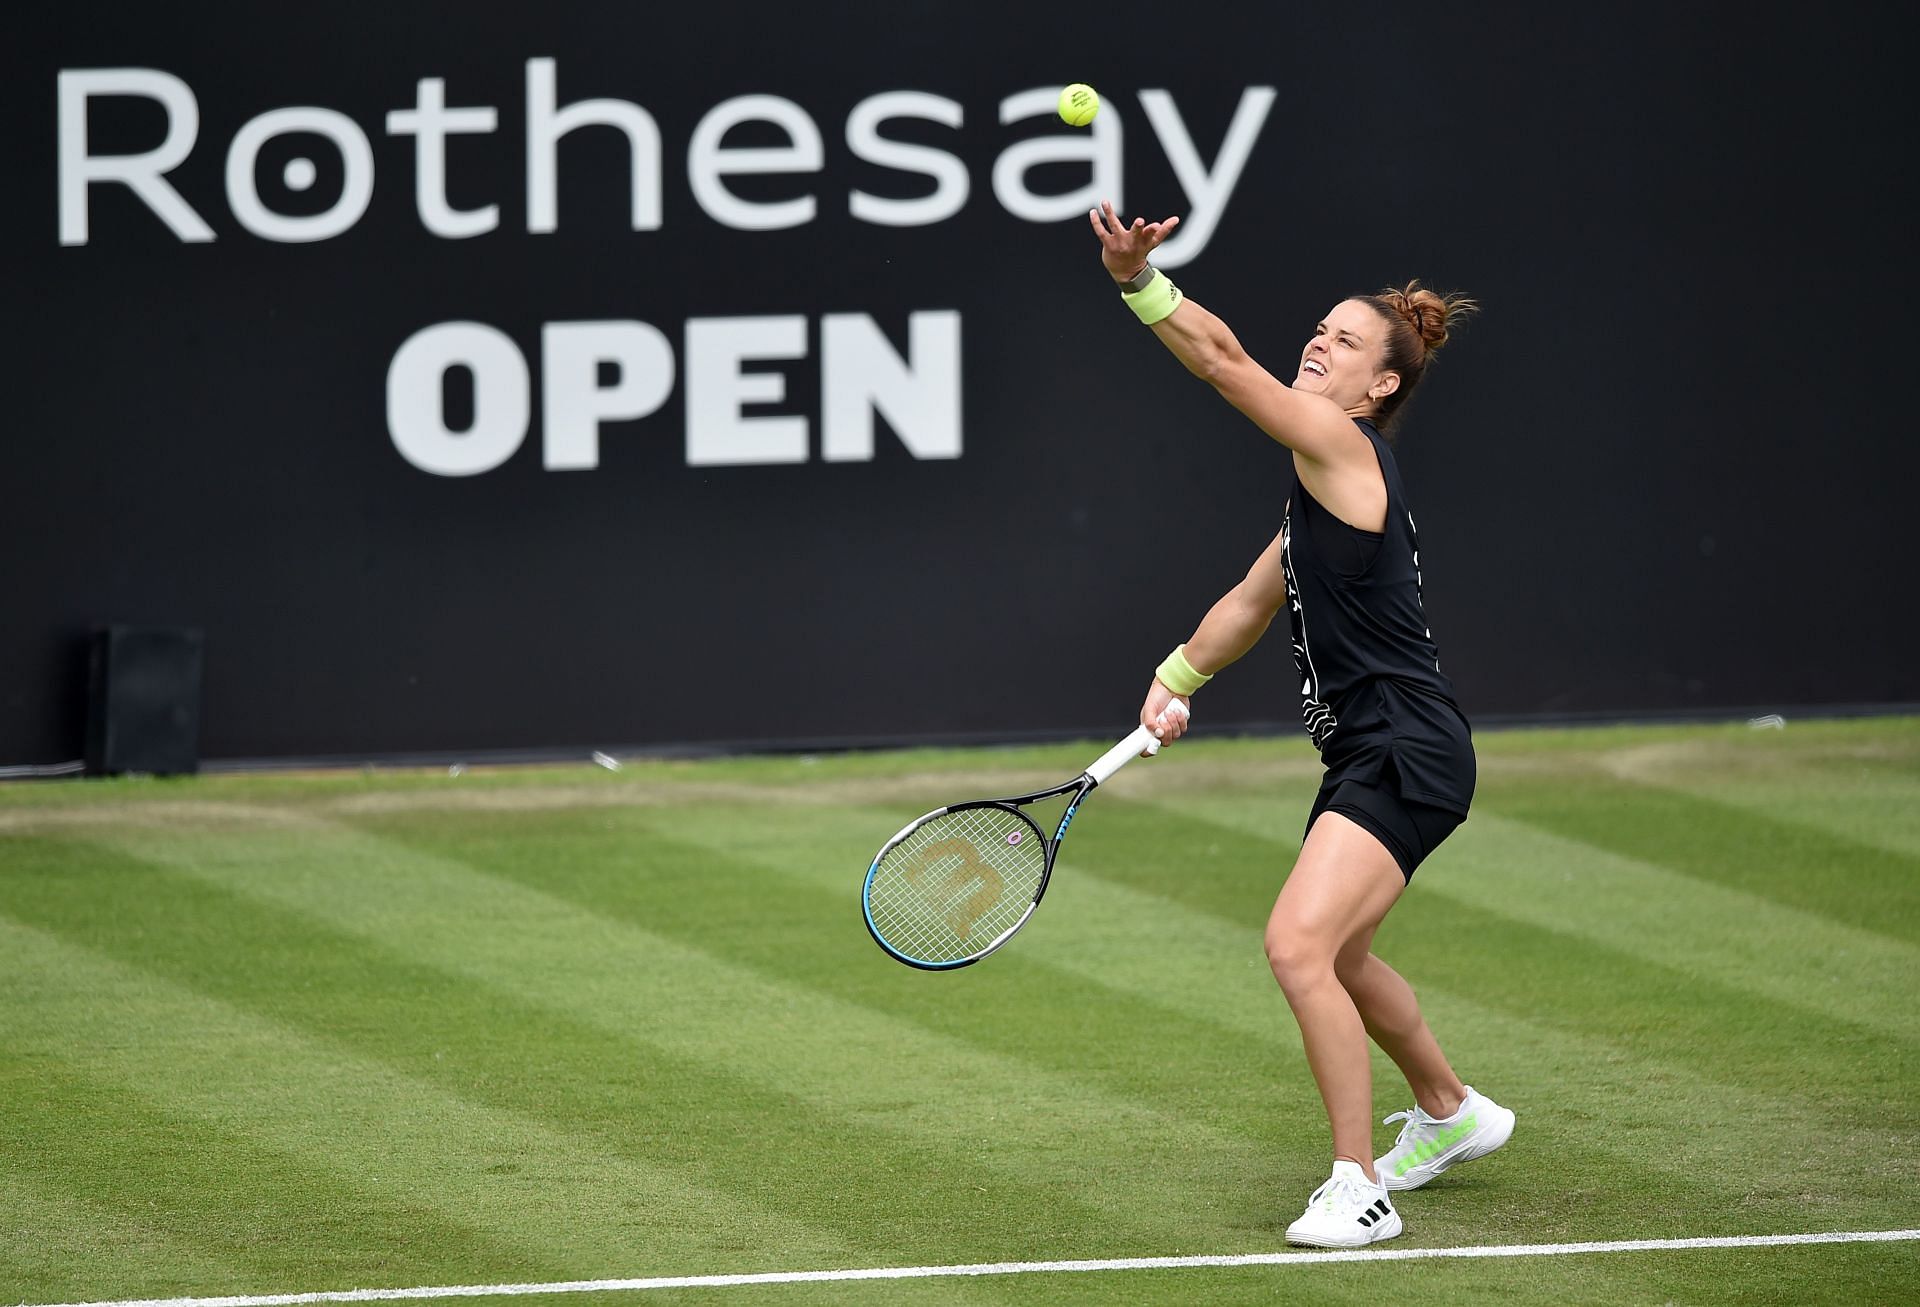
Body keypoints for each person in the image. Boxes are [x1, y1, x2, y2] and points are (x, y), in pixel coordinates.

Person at [1088, 200, 1514, 1249]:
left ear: (1382, 385)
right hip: (1385, 748)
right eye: (1320, 326)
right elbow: (1250, 596)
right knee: (1349, 956)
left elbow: (1226, 362)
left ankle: (1357, 1182)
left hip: (1406, 747)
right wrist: (1173, 676)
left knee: (1296, 945)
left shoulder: (1339, 442)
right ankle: (1454, 1113)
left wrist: (1139, 281)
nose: (1320, 339)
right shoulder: (1315, 498)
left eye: (1347, 338)